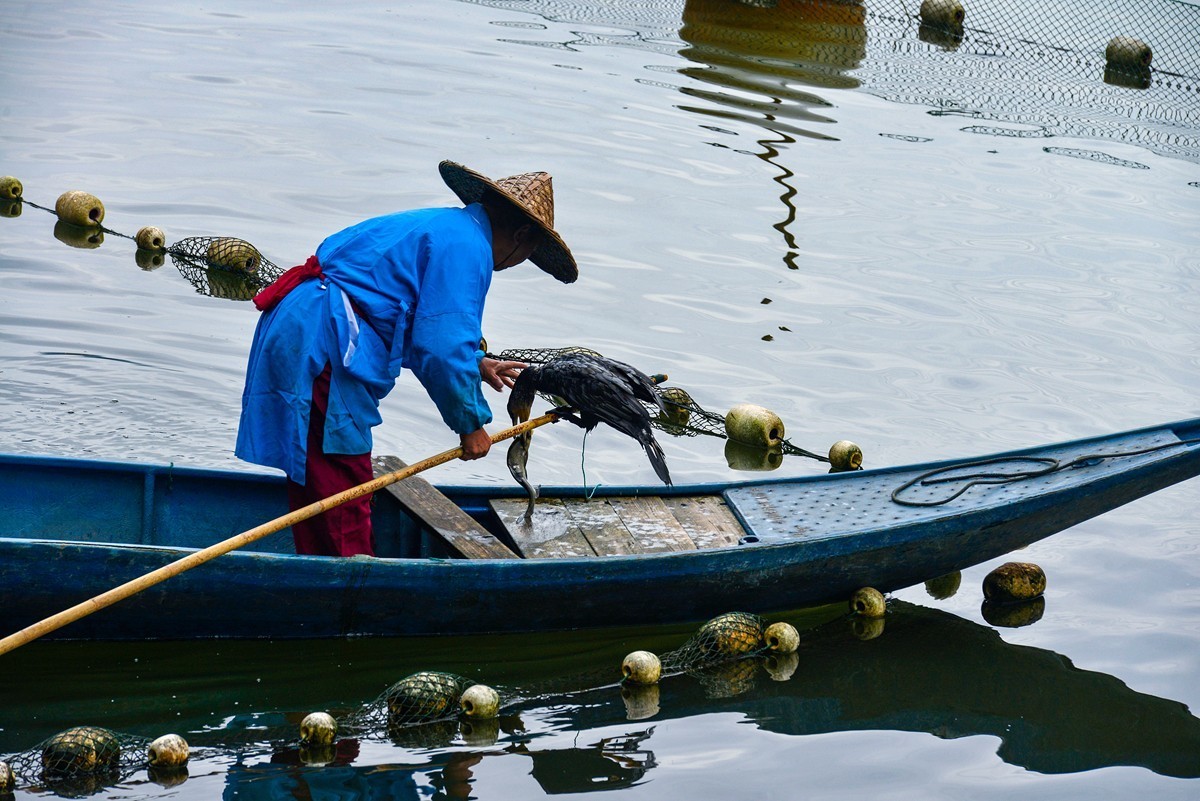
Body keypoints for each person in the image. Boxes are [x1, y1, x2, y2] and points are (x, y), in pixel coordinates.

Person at [235, 160, 577, 557]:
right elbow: (440, 348)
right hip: (325, 341)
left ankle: (321, 568)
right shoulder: (469, 248)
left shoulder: (446, 226)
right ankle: (351, 587)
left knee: (319, 475)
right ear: (520, 236)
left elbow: (401, 317)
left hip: (303, 323)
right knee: (342, 477)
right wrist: (470, 425)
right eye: (529, 254)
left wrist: (476, 363)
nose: (518, 263)